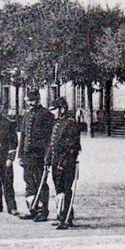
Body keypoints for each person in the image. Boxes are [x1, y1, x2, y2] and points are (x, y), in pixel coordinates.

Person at [17, 89, 54, 221]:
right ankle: (32, 209)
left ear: (38, 100)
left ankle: (43, 211)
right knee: (29, 183)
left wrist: (47, 156)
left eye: (33, 100)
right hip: (27, 155)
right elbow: (23, 136)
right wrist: (20, 155)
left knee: (41, 183)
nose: (31, 103)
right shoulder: (27, 115)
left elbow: (50, 138)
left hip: (39, 155)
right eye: (29, 101)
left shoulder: (47, 115)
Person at [46, 98, 81, 229]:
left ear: (62, 109)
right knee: (58, 189)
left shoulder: (70, 123)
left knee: (66, 189)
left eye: (55, 110)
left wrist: (63, 161)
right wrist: (48, 160)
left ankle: (66, 218)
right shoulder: (57, 123)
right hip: (56, 161)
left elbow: (72, 146)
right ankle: (62, 214)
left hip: (67, 162)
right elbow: (52, 144)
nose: (53, 112)